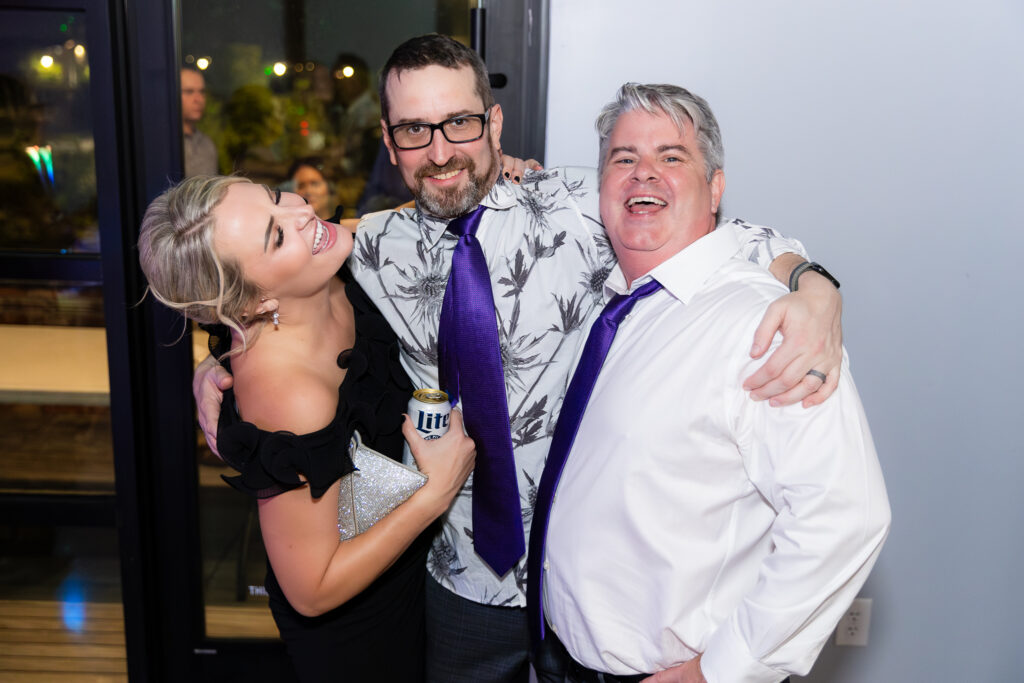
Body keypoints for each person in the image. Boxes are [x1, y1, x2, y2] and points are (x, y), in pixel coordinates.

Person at [194, 34, 845, 683]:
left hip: (590, 583)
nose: (442, 150)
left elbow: (733, 238)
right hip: (457, 584)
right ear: (389, 144)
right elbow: (259, 292)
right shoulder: (366, 249)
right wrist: (220, 369)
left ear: (494, 123)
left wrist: (814, 286)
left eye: (460, 122)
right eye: (415, 131)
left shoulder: (584, 208)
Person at [528, 83, 891, 683]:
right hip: (565, 659)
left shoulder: (764, 325)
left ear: (715, 188)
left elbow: (846, 516)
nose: (644, 174)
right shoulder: (624, 304)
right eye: (624, 159)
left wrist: (721, 671)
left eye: (672, 157)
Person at [138, 174, 476, 682]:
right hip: (359, 634)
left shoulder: (319, 258)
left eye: (276, 197)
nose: (301, 214)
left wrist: (502, 170)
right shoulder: (291, 396)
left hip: (406, 578)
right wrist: (437, 492)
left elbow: (411, 216)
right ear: (252, 305)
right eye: (275, 236)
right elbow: (311, 589)